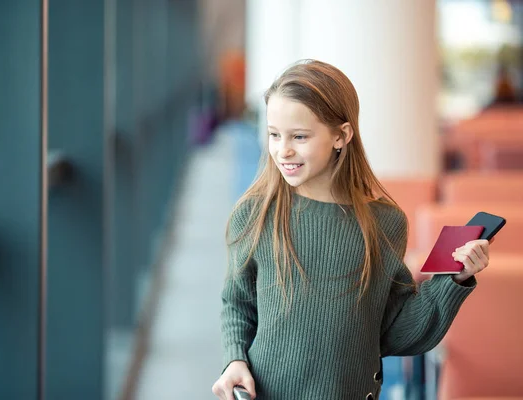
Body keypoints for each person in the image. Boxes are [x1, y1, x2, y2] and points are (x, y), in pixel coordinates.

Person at [211, 60, 492, 400]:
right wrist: (234, 359)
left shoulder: (384, 223)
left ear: (341, 135)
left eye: (299, 136)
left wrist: (454, 280)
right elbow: (237, 303)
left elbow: (394, 331)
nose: (282, 150)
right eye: (274, 135)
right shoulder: (255, 214)